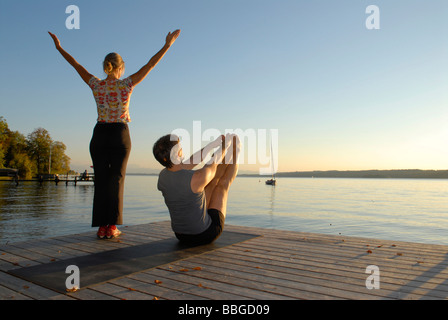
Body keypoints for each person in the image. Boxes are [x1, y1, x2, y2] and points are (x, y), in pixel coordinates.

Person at [48, 30, 181, 239]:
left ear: (106, 67)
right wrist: (167, 45)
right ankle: (112, 226)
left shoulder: (96, 84)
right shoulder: (126, 84)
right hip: (120, 134)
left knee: (101, 180)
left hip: (100, 134)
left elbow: (76, 65)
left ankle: (102, 227)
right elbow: (151, 64)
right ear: (120, 68)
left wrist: (59, 47)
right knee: (117, 180)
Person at [153, 133, 240, 246]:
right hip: (204, 234)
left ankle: (232, 150)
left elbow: (194, 160)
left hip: (181, 235)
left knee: (207, 186)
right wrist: (225, 146)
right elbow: (214, 163)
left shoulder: (162, 177)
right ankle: (237, 151)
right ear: (178, 152)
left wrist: (214, 144)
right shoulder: (196, 178)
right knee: (222, 185)